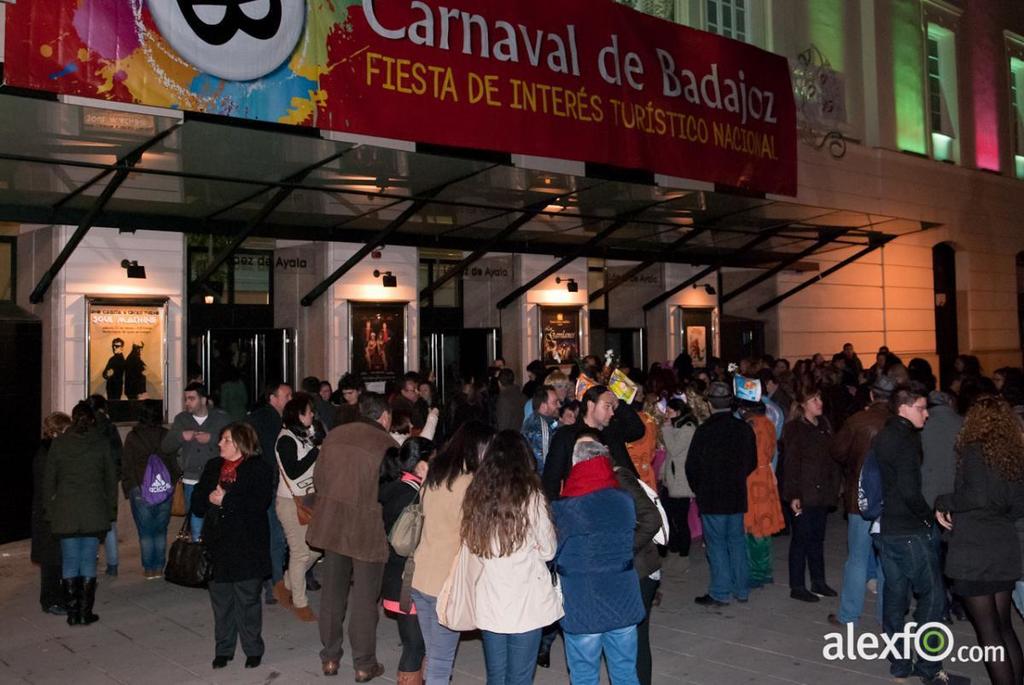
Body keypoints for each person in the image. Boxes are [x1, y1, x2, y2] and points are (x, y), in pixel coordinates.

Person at [934, 395, 1024, 685]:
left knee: (988, 633)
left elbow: (975, 496)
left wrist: (943, 501)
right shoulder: (1013, 454)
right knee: (1005, 627)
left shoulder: (975, 451)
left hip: (976, 551)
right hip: (1003, 546)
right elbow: (1018, 504)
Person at [461, 431, 563, 685]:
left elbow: (470, 544)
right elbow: (549, 549)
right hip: (526, 600)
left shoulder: (476, 496)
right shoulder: (532, 497)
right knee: (519, 677)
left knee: (496, 676)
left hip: (491, 597)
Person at [308, 392, 397, 680]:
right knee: (364, 597)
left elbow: (319, 479)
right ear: (384, 417)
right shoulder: (386, 443)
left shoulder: (335, 435)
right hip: (367, 528)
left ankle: (330, 658)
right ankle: (364, 663)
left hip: (333, 523)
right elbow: (391, 492)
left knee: (332, 593)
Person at [552, 436, 645, 685]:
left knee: (584, 675)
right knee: (625, 672)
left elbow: (553, 551)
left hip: (584, 602)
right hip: (623, 596)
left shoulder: (567, 506)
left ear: (577, 465)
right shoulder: (624, 500)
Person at [874, 385, 949, 684]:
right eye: (921, 407)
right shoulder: (905, 440)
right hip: (909, 530)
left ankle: (899, 661)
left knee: (894, 596)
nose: (927, 414)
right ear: (904, 408)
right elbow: (908, 490)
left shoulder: (883, 435)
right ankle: (929, 665)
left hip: (888, 529)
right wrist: (928, 517)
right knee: (933, 599)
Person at [412, 421, 494, 685]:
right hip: (447, 585)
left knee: (433, 654)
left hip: (421, 576)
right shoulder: (471, 484)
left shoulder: (435, 475)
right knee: (440, 661)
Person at [192, 422, 274, 670]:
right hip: (218, 546)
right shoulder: (213, 466)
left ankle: (253, 649)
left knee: (248, 601)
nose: (220, 444)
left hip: (247, 546)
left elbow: (258, 503)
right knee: (221, 602)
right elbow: (196, 502)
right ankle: (223, 649)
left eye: (226, 440)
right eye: (221, 439)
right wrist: (208, 497)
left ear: (241, 443)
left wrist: (226, 499)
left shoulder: (258, 468)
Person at [43, 401, 117, 626]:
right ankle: (85, 612)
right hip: (94, 510)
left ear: (73, 419)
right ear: (92, 419)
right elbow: (110, 481)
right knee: (88, 560)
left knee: (70, 559)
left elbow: (49, 481)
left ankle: (72, 613)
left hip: (66, 511)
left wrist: (50, 510)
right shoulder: (101, 443)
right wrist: (110, 511)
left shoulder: (60, 444)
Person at [829, 374, 893, 626]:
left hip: (860, 498)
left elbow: (837, 450)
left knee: (857, 557)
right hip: (890, 499)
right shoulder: (898, 422)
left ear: (871, 395)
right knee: (887, 560)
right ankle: (886, 615)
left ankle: (849, 614)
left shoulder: (858, 421)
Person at [685, 382, 757, 606]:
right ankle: (741, 589)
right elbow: (751, 462)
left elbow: (692, 466)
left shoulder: (704, 431)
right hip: (735, 493)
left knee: (716, 545)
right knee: (736, 541)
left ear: (709, 403)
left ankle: (720, 591)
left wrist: (700, 488)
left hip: (712, 496)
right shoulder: (743, 428)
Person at [380, 437, 434, 685]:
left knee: (417, 644)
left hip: (396, 578)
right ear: (421, 465)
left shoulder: (396, 488)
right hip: (409, 582)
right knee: (415, 646)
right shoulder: (412, 496)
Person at [781, 385, 839, 602]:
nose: (820, 403)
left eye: (820, 398)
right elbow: (792, 463)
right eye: (815, 400)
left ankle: (818, 580)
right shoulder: (795, 428)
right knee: (801, 539)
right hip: (804, 492)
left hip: (821, 491)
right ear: (804, 404)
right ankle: (797, 585)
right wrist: (794, 494)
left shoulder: (823, 424)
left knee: (817, 538)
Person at [543, 385, 645, 500]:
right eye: (607, 406)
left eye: (612, 408)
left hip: (621, 499)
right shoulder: (567, 436)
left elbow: (638, 430)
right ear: (591, 405)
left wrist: (619, 405)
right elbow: (551, 480)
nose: (612, 413)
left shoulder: (612, 431)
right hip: (583, 502)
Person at [273, 393, 323, 622]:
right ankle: (300, 602)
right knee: (300, 551)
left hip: (308, 499)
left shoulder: (301, 436)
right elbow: (293, 470)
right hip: (290, 503)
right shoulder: (285, 439)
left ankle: (286, 583)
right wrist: (316, 452)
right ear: (298, 415)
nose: (312, 414)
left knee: (315, 549)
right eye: (308, 411)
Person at [163, 382, 231, 538]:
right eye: (186, 399)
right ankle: (198, 554)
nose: (187, 403)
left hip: (217, 478)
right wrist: (181, 436)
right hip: (191, 479)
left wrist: (212, 439)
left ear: (203, 400)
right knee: (195, 519)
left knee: (217, 519)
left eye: (191, 399)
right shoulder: (181, 419)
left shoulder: (221, 419)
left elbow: (236, 443)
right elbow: (166, 447)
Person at [247, 381, 293, 605]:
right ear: (273, 399)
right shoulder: (275, 422)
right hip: (272, 485)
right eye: (286, 395)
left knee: (265, 534)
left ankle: (266, 582)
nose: (290, 399)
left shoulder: (253, 419)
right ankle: (275, 583)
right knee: (276, 536)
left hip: (258, 485)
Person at [122, 399, 180, 578]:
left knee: (145, 532)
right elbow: (174, 462)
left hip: (140, 487)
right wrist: (174, 481)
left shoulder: (133, 436)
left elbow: (127, 464)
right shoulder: (165, 435)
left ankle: (149, 569)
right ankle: (159, 567)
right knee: (161, 529)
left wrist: (130, 486)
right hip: (163, 487)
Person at [741, 400, 785, 589]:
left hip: (753, 478)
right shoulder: (768, 423)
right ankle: (764, 570)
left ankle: (757, 573)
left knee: (754, 528)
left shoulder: (751, 426)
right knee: (763, 527)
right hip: (765, 474)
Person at [32, 411, 72, 615]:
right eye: (66, 430)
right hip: (48, 516)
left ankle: (61, 597)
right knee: (51, 562)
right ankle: (50, 600)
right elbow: (48, 488)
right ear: (56, 432)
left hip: (55, 514)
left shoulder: (54, 451)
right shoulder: (46, 455)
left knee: (59, 559)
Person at [87, 394, 123, 577]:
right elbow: (118, 456)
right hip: (108, 481)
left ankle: (92, 560)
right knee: (110, 521)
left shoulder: (86, 428)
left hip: (91, 480)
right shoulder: (110, 428)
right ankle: (113, 563)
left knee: (91, 522)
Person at [659, 398, 696, 558]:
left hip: (681, 481)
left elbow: (673, 449)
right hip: (671, 480)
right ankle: (673, 544)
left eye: (670, 411)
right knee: (667, 514)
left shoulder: (688, 428)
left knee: (680, 518)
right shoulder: (678, 427)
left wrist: (666, 429)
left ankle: (683, 549)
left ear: (678, 412)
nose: (666, 414)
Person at [521, 384, 559, 473]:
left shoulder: (532, 419)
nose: (558, 405)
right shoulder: (541, 428)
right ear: (543, 406)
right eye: (554, 403)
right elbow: (544, 463)